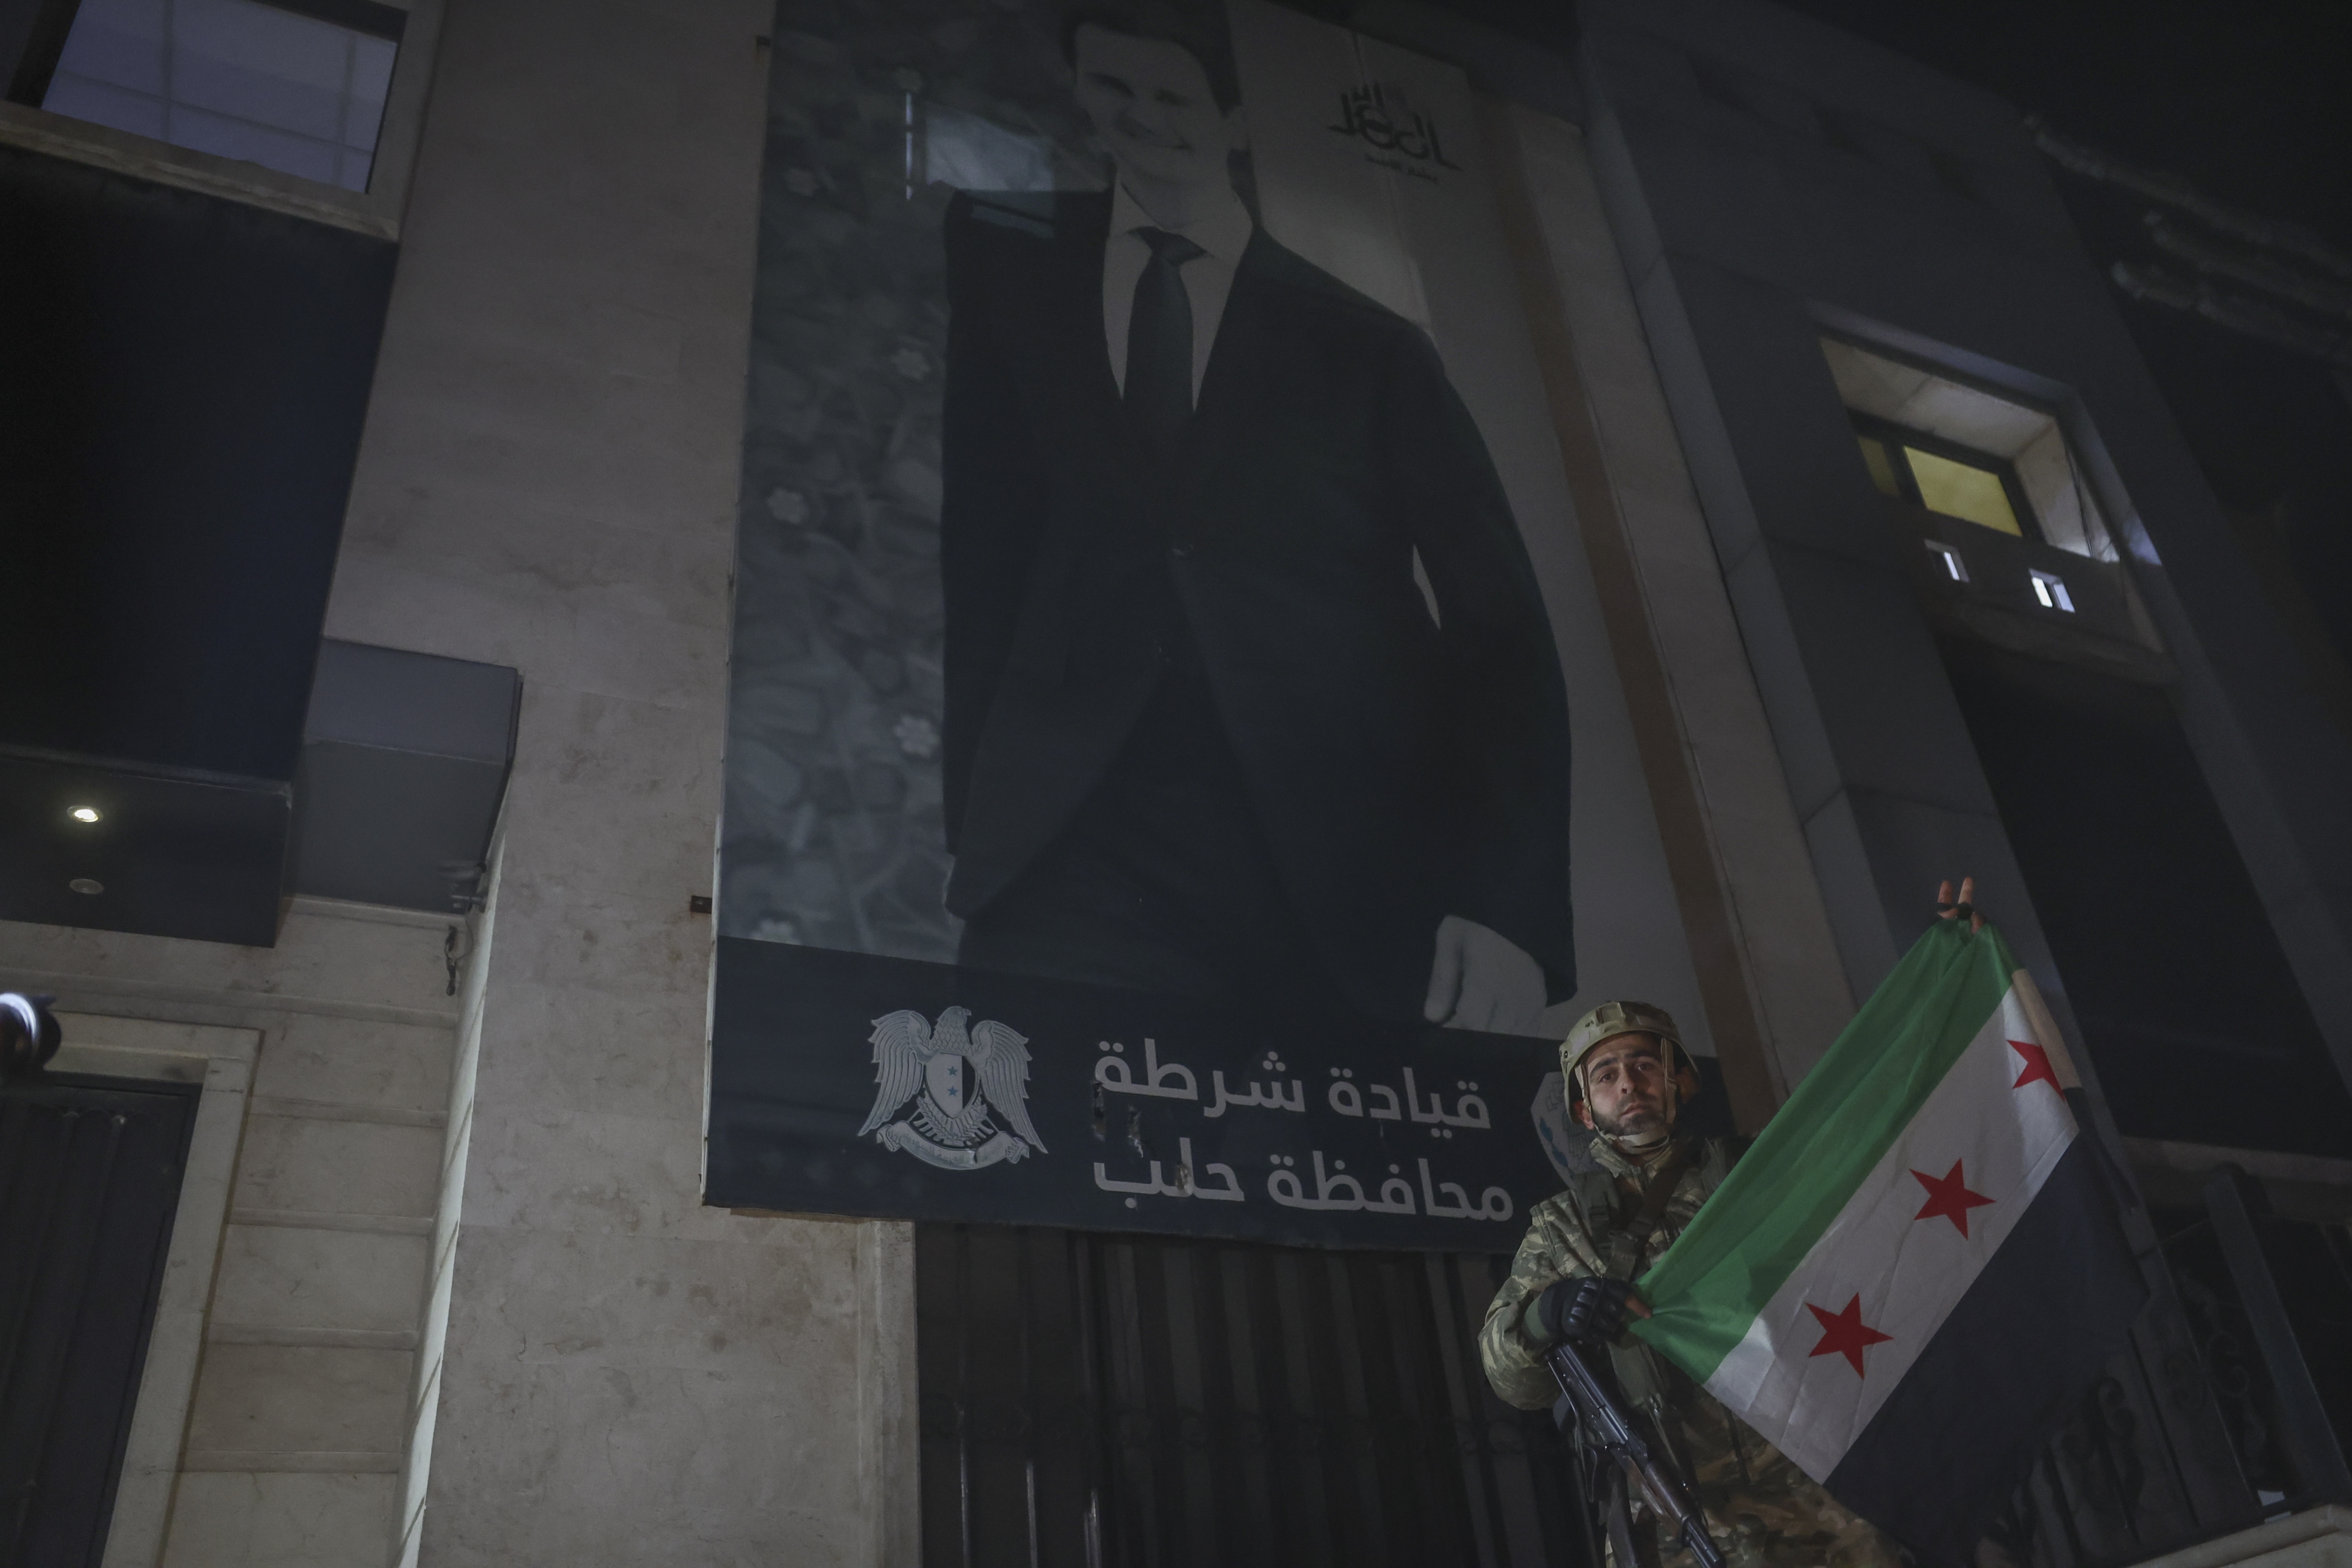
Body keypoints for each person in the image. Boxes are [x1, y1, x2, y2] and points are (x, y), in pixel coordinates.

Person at [937, 0, 1575, 1033]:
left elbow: (1501, 634)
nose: (1144, 117)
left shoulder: (1371, 349)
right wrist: (978, 809)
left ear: (1232, 119)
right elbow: (984, 549)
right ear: (1082, 99)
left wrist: (1506, 906)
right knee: (1035, 1138)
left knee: (1310, 1169)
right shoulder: (1012, 269)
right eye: (1114, 89)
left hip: (1337, 847)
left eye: (1172, 94)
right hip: (1082, 835)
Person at [1481, 884, 1986, 1565]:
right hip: (1679, 1514)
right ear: (1584, 1111)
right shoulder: (1563, 1227)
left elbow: (1884, 1135)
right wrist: (1552, 1312)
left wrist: (1954, 972)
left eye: (1644, 1065)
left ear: (1679, 1081)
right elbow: (1512, 1377)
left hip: (1821, 1484)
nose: (1628, 1083)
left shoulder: (1756, 1179)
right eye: (1605, 1076)